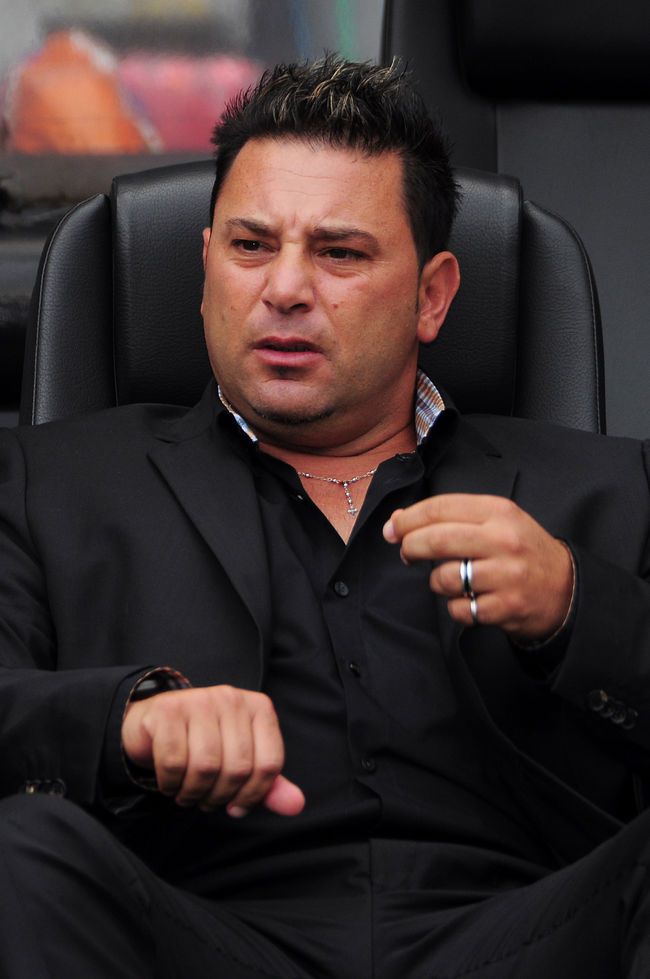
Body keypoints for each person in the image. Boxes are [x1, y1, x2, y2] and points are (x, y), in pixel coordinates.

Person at [0, 55, 649, 978]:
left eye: (340, 253)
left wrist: (582, 610)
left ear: (432, 295)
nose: (285, 289)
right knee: (21, 849)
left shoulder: (614, 491)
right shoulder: (48, 481)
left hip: (530, 937)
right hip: (188, 935)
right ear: (205, 268)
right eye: (251, 246)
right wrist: (123, 721)